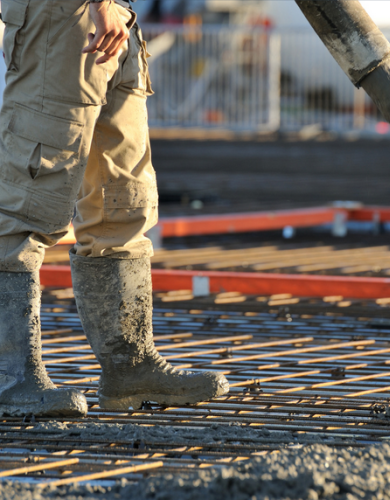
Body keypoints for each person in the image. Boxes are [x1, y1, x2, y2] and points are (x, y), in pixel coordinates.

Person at [0, 0, 229, 417]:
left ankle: (130, 367)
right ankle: (10, 375)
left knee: (121, 201)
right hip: (65, 16)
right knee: (28, 196)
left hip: (115, 20)